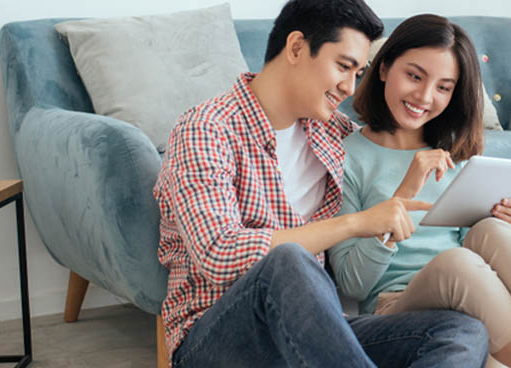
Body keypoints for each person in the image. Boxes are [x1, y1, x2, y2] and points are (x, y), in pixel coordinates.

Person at [153, 1, 490, 366]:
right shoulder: (206, 129)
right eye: (343, 67)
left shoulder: (334, 134)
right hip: (217, 337)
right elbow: (218, 252)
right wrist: (356, 223)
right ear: (297, 47)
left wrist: (485, 210)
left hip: (317, 330)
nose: (348, 87)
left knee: (460, 331)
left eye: (358, 72)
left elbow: (390, 156)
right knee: (288, 262)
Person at [329, 14, 511, 368]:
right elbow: (353, 285)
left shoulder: (452, 156)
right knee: (456, 263)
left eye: (443, 87)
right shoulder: (345, 157)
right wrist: (405, 193)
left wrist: (506, 226)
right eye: (414, 75)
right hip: (392, 307)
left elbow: (478, 254)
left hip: (465, 302)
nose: (424, 96)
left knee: (492, 231)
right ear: (383, 69)